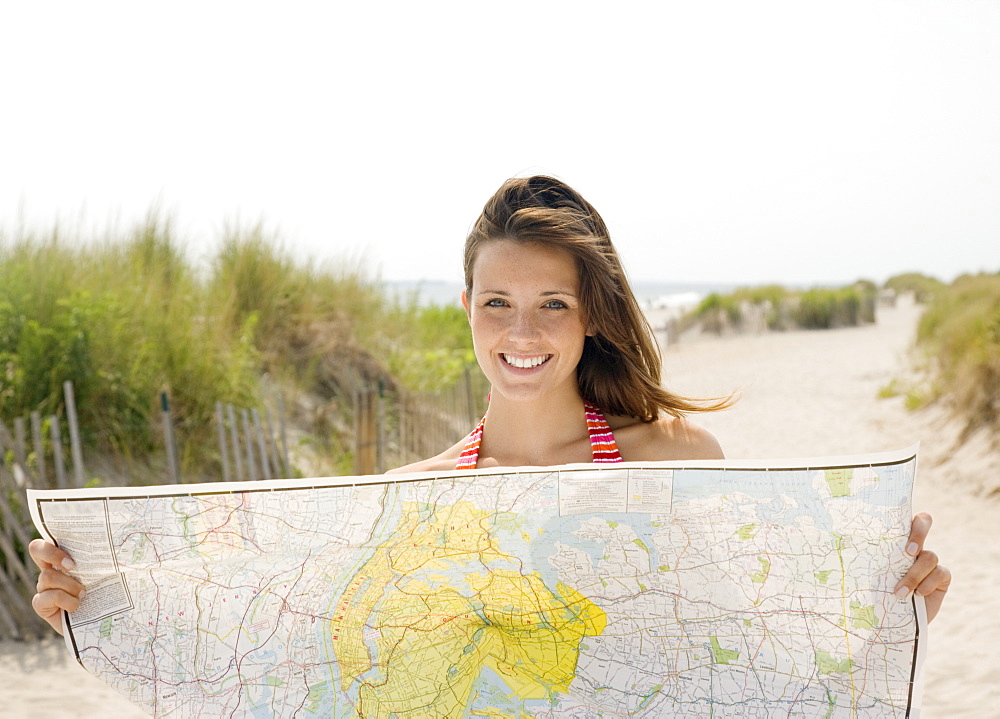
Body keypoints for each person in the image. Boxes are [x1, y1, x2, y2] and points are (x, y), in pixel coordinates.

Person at [29, 175, 950, 635]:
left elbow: (750, 632)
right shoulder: (405, 493)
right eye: (499, 302)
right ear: (466, 309)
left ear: (591, 315)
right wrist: (97, 600)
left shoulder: (680, 459)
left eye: (554, 303)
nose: (524, 330)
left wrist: (892, 601)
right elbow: (286, 631)